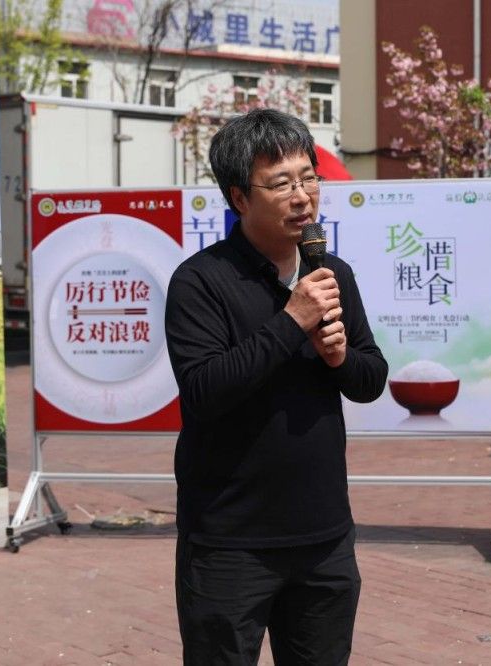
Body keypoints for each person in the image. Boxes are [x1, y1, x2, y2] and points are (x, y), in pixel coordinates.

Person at [165, 109, 388, 665]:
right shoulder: (200, 281)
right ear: (240, 197)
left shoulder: (330, 273)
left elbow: (370, 379)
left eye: (309, 178)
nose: (302, 196)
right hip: (229, 542)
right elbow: (204, 391)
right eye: (281, 183)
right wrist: (292, 321)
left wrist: (339, 358)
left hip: (323, 536)